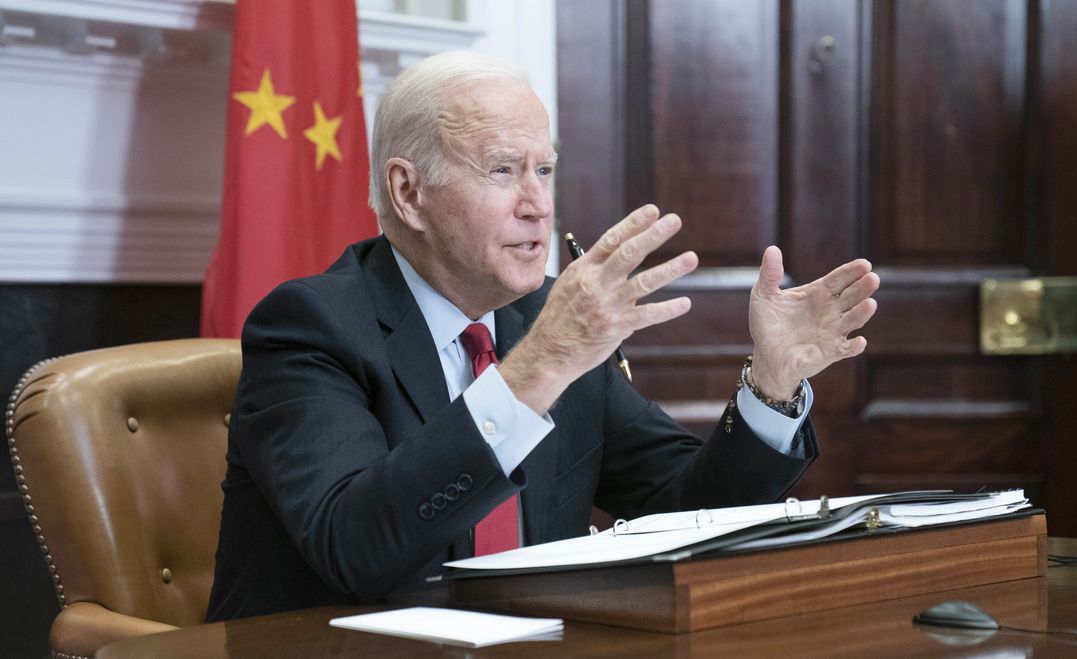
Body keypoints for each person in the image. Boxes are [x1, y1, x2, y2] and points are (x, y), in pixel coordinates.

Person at [206, 51, 879, 621]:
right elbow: (354, 550)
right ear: (408, 193)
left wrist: (772, 383)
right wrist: (539, 366)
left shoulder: (546, 320)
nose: (538, 202)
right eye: (503, 169)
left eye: (545, 169)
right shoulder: (310, 328)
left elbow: (685, 508)